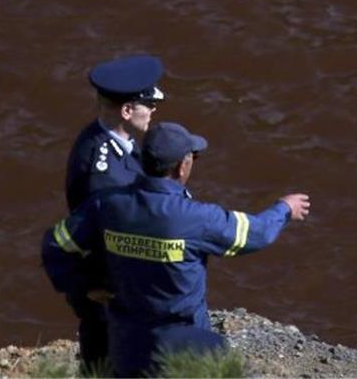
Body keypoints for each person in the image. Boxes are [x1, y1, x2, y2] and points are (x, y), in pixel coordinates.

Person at [42, 121, 311, 377]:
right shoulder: (197, 218)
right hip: (182, 348)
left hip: (126, 345)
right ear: (182, 167)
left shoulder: (107, 205)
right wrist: (284, 209)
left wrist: (84, 286)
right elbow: (256, 234)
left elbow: (56, 245)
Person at [62, 54, 166, 370]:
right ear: (126, 110)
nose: (153, 111)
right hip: (108, 288)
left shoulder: (114, 140)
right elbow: (103, 235)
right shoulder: (103, 173)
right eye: (149, 105)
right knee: (109, 359)